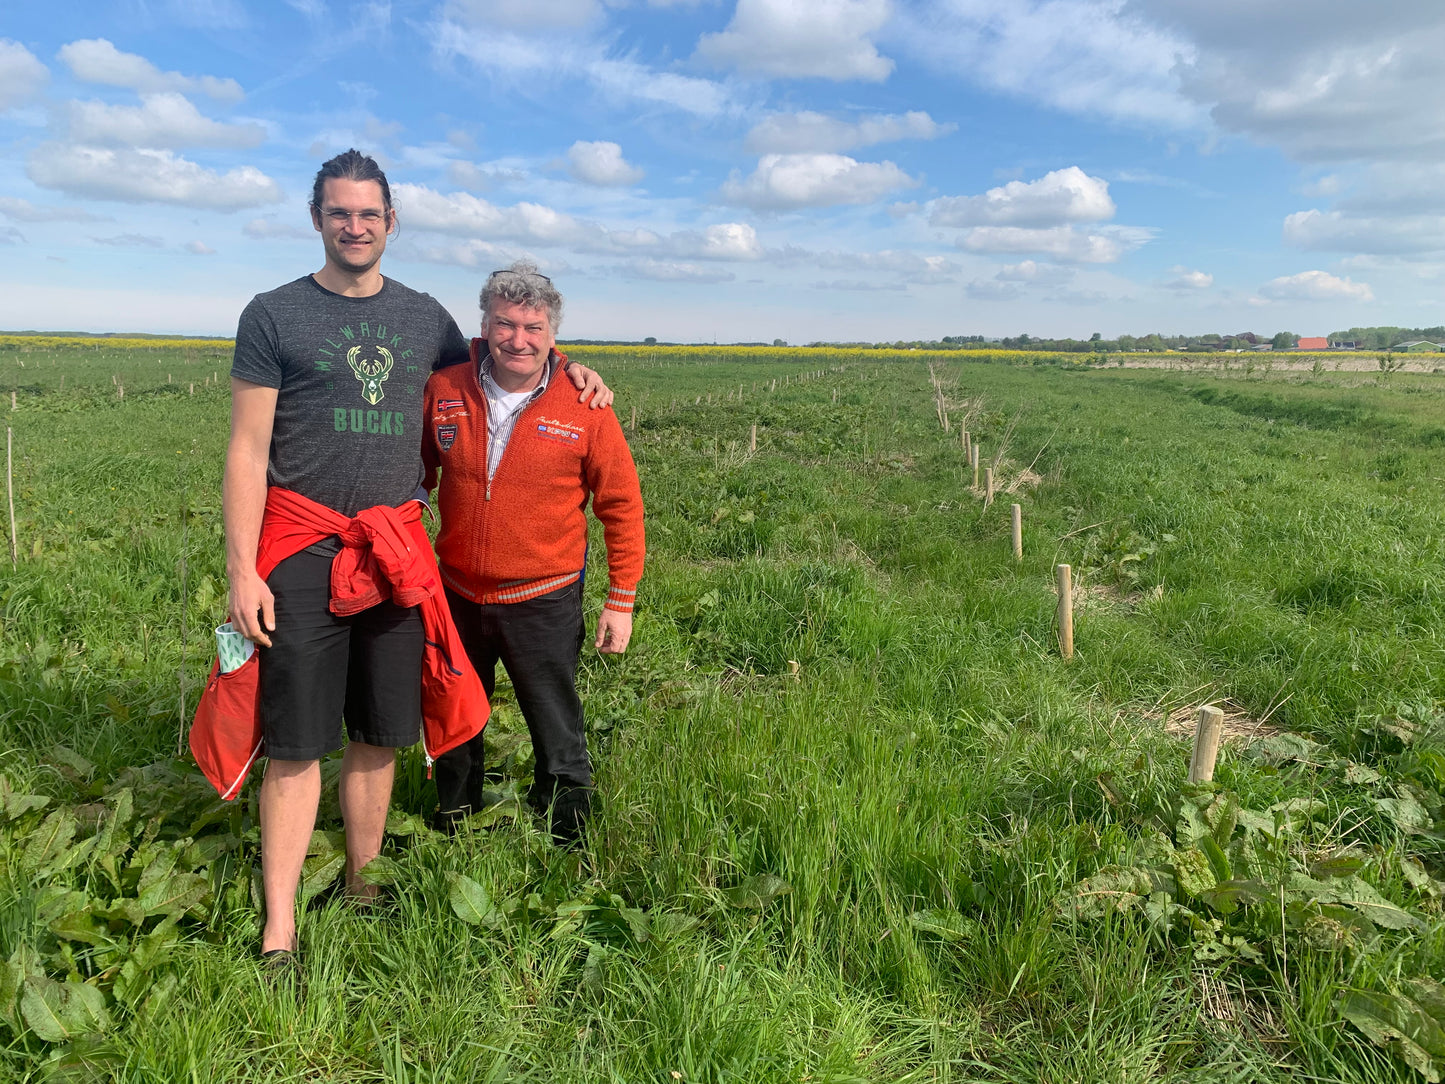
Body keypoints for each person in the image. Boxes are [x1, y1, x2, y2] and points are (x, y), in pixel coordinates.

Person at [223, 151, 610, 960]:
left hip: (396, 552)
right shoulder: (272, 314)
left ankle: (364, 888)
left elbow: (499, 361)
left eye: (369, 214)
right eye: (339, 212)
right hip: (299, 548)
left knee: (380, 729)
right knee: (294, 742)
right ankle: (279, 929)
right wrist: (242, 569)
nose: (354, 226)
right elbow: (246, 448)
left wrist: (571, 369)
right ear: (317, 219)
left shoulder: (422, 317)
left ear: (390, 223)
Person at [422, 262, 644, 845]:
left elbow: (621, 504)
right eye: (504, 324)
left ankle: (567, 841)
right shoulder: (444, 389)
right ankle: (455, 826)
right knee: (455, 714)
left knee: (554, 724)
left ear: (552, 334)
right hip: (458, 593)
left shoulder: (584, 404)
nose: (517, 339)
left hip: (542, 597)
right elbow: (415, 473)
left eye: (533, 327)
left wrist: (620, 599)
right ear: (486, 325)